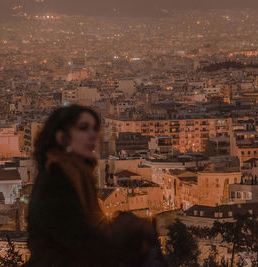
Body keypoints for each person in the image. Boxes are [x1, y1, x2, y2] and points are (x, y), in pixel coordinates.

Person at [25, 105, 166, 267]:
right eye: (83, 128)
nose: (93, 135)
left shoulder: (76, 174)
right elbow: (79, 240)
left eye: (95, 129)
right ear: (62, 137)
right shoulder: (56, 181)